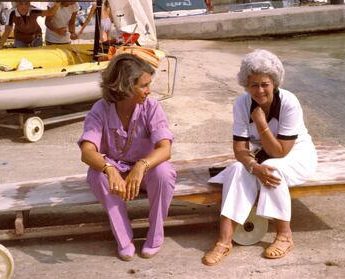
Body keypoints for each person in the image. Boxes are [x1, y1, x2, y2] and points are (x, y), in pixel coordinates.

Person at [202, 49, 318, 266]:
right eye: (253, 85)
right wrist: (253, 167)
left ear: (274, 82)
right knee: (238, 169)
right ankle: (224, 241)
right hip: (263, 156)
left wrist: (261, 123)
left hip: (297, 155)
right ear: (246, 85)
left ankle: (284, 236)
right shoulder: (242, 103)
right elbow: (239, 148)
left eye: (265, 84)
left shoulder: (289, 102)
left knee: (272, 167)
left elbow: (280, 152)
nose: (260, 90)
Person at [78, 53, 176, 261]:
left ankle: (155, 236)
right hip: (117, 170)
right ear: (125, 86)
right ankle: (124, 239)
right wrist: (109, 169)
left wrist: (141, 165)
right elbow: (87, 151)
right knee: (97, 176)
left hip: (146, 171)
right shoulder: (100, 110)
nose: (148, 91)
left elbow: (165, 149)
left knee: (164, 172)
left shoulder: (151, 107)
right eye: (143, 85)